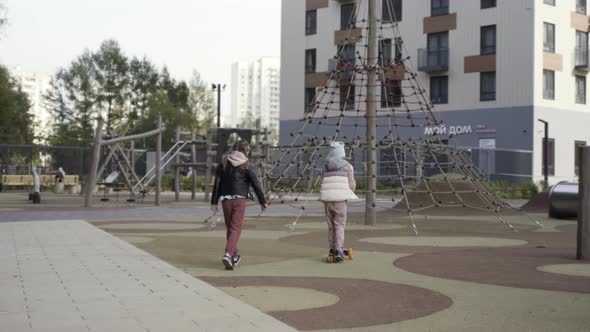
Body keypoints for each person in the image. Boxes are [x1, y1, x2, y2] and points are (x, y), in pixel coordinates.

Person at [211, 140, 267, 270]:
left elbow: (217, 183)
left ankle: (233, 257)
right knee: (236, 228)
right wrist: (262, 201)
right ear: (245, 150)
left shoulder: (224, 163)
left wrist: (214, 202)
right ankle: (228, 254)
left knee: (230, 229)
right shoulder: (246, 164)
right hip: (239, 199)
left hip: (225, 199)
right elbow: (256, 183)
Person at [319, 142, 358, 263]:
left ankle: (332, 249)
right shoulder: (348, 166)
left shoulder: (325, 166)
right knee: (339, 225)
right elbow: (351, 183)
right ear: (343, 154)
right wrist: (349, 192)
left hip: (327, 199)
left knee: (331, 226)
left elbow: (322, 181)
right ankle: (338, 251)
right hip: (340, 200)